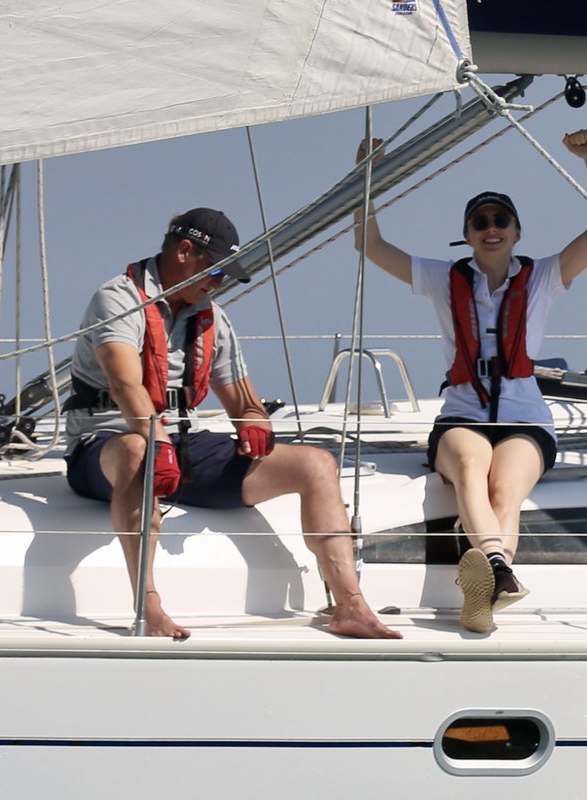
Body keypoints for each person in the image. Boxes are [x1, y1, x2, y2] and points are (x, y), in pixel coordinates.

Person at [64, 209, 400, 641]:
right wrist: (158, 441)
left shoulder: (212, 318)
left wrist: (255, 424)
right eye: (217, 270)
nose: (219, 283)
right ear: (185, 251)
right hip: (106, 442)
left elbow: (244, 401)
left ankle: (350, 605)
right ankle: (147, 607)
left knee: (316, 463)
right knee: (137, 451)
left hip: (179, 446)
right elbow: (125, 384)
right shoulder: (119, 299)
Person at [354, 130, 587, 633]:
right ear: (467, 234)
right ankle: (497, 570)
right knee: (472, 466)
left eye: (500, 221)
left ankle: (489, 584)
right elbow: (369, 243)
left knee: (505, 491)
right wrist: (367, 176)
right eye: (480, 222)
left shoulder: (543, 277)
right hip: (463, 415)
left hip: (526, 418)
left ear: (516, 232)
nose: (490, 229)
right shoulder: (438, 278)